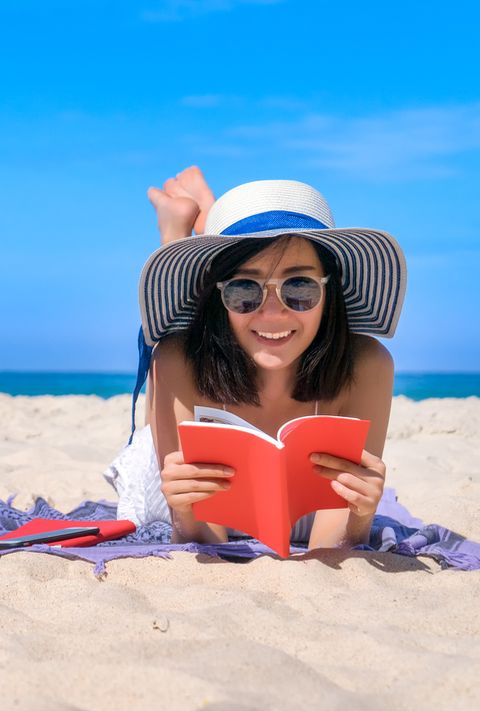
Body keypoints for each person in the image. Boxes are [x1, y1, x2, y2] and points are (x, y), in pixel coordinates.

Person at [108, 168, 407, 549]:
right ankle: (176, 232)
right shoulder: (179, 360)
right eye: (243, 290)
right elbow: (202, 541)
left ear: (331, 293)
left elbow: (332, 547)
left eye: (299, 287)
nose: (272, 312)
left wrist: (361, 516)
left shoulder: (366, 366)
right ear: (219, 299)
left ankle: (212, 221)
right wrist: (183, 510)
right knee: (166, 348)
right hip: (182, 405)